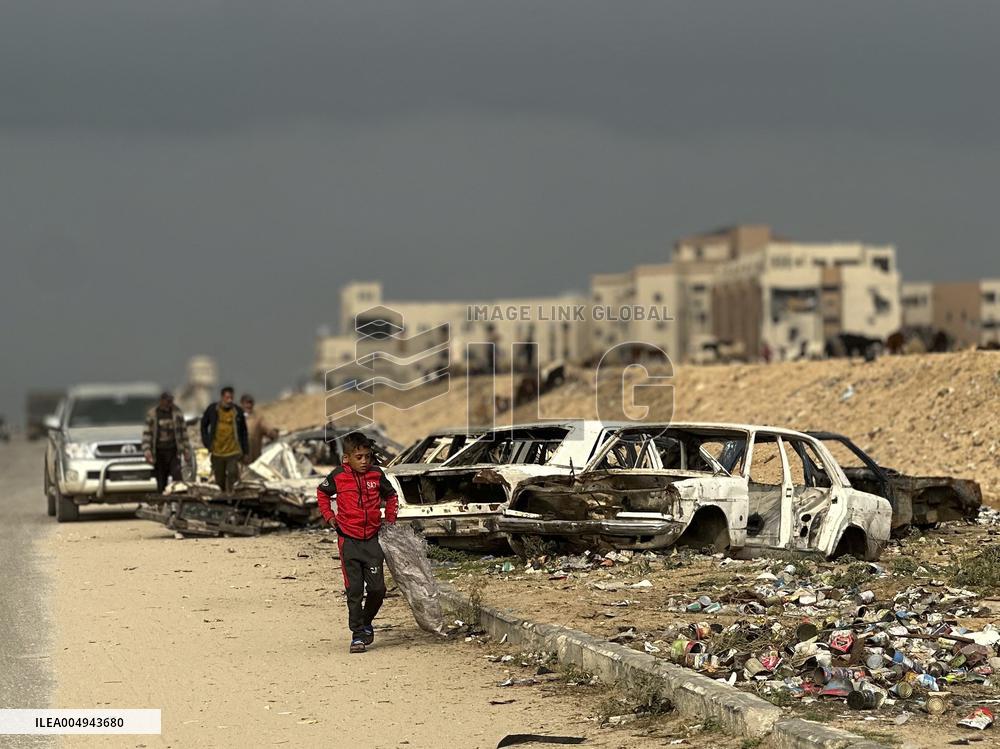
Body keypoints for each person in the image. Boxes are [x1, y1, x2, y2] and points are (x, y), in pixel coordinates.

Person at [316, 431, 398, 654]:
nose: (364, 462)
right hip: (348, 540)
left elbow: (391, 496)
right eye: (359, 457)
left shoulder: (376, 475)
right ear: (347, 458)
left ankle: (365, 620)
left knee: (377, 589)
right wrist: (329, 517)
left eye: (367, 457)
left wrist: (389, 520)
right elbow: (322, 493)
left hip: (372, 540)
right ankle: (357, 635)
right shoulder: (338, 476)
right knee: (353, 589)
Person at [200, 386, 249, 492]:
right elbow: (203, 425)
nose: (229, 400)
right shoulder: (213, 409)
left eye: (231, 398)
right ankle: (222, 499)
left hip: (233, 451)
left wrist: (245, 452)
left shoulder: (237, 412)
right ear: (222, 397)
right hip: (217, 451)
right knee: (219, 479)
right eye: (227, 398)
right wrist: (207, 443)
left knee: (232, 473)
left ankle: (231, 497)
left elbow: (244, 432)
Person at [142, 392, 192, 492]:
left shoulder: (177, 413)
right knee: (161, 480)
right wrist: (147, 451)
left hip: (174, 451)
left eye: (170, 401)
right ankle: (162, 502)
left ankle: (177, 500)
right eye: (167, 401)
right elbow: (147, 434)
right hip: (159, 452)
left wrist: (186, 449)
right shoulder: (153, 414)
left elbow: (183, 433)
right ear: (161, 401)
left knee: (177, 476)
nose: (169, 404)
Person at [240, 393, 279, 462]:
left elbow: (269, 431)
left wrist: (274, 433)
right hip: (239, 461)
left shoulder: (258, 419)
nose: (248, 405)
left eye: (250, 403)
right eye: (246, 403)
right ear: (242, 404)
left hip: (254, 460)